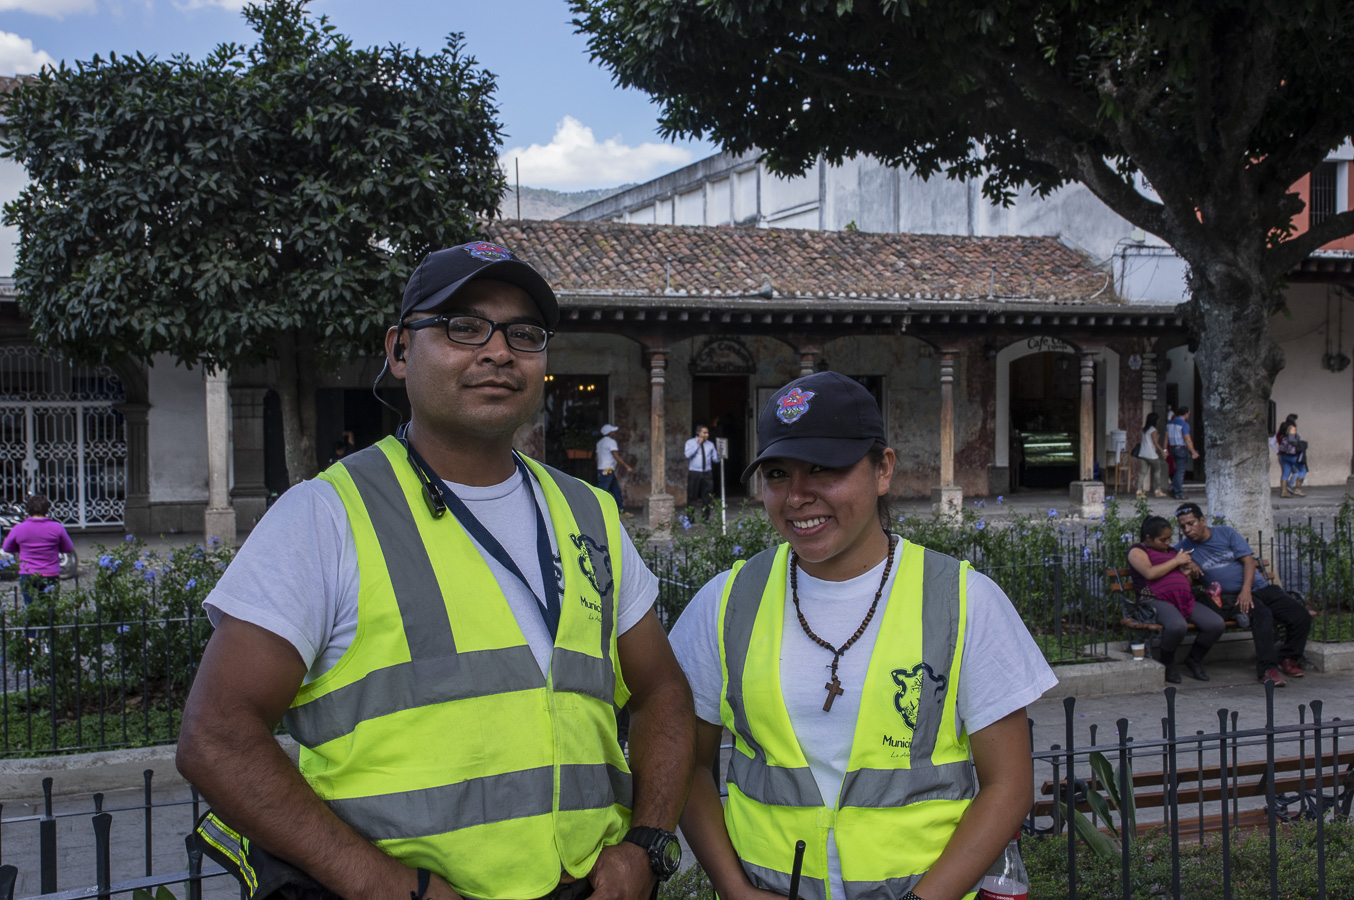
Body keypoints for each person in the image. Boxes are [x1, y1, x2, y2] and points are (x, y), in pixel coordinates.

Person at [177, 241, 696, 900]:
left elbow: (663, 694)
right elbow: (216, 735)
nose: (498, 351)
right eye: (462, 326)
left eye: (524, 334)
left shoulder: (589, 514)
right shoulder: (326, 516)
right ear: (398, 351)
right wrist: (386, 886)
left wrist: (646, 844)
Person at [669, 372, 1057, 900]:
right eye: (779, 474)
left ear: (883, 470)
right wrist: (734, 890)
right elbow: (685, 763)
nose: (798, 496)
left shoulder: (963, 601)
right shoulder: (726, 602)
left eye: (825, 469)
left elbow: (1009, 786)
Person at [1174, 502, 1310, 686]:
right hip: (1230, 597)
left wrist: (1246, 590)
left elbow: (1248, 562)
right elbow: (1171, 564)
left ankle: (1288, 657)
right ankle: (1267, 670)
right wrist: (1187, 563)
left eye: (1191, 523)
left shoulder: (1226, 533)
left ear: (1203, 520)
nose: (1187, 529)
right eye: (1183, 527)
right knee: (1262, 615)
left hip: (1257, 588)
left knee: (1300, 615)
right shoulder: (1183, 548)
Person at [1126, 516, 1223, 682]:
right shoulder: (1137, 551)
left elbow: (1184, 581)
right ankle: (1167, 663)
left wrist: (1185, 575)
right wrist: (1176, 561)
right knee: (1177, 626)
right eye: (1162, 540)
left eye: (1169, 539)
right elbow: (1150, 573)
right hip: (1152, 599)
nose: (1167, 543)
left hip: (1182, 598)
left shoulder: (1170, 552)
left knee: (1216, 624)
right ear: (1148, 538)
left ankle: (1194, 660)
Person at [0, 494, 74, 606]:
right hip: (50, 573)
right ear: (46, 509)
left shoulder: (19, 528)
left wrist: (20, 548)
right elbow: (68, 548)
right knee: (50, 608)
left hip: (28, 573)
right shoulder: (57, 527)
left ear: (28, 509)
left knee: (30, 607)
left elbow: (7, 548)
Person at [596, 424, 634, 516]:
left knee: (616, 491)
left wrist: (599, 468)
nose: (614, 433)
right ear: (610, 433)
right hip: (608, 469)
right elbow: (616, 456)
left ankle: (621, 511)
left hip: (603, 470)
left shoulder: (600, 443)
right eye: (613, 432)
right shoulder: (611, 442)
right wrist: (627, 466)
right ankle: (597, 513)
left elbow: (596, 458)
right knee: (602, 492)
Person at [683, 425, 719, 521]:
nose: (707, 435)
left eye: (707, 433)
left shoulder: (710, 444)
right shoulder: (690, 443)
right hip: (694, 472)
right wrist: (697, 445)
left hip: (707, 473)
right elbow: (687, 455)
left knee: (707, 497)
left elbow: (715, 458)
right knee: (692, 496)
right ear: (698, 433)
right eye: (704, 433)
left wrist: (721, 456)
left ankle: (705, 518)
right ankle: (690, 518)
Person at [1165, 406, 1198, 500]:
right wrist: (1193, 452)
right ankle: (1178, 492)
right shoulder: (1184, 424)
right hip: (1181, 448)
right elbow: (1187, 439)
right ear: (1186, 414)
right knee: (1180, 471)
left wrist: (1165, 449)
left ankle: (1173, 487)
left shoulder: (1169, 424)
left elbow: (1166, 438)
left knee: (1178, 469)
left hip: (1172, 449)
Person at [1136, 412, 1168, 499]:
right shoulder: (1153, 430)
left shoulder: (1144, 430)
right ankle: (1158, 490)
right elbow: (1155, 442)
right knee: (1157, 471)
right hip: (1151, 454)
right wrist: (1162, 451)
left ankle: (1139, 491)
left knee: (1142, 473)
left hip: (1143, 454)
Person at [1276, 417, 1306, 498]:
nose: (1297, 421)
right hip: (1292, 454)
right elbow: (1292, 439)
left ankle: (1284, 492)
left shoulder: (1283, 428)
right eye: (1296, 419)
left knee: (1285, 473)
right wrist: (1300, 444)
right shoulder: (1292, 427)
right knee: (1302, 470)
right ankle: (1298, 489)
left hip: (1283, 455)